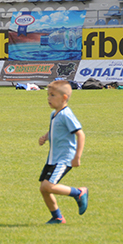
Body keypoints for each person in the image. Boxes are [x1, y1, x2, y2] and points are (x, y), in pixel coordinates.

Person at [38, 80, 88, 224]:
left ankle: (79, 193)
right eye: (48, 95)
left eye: (52, 95)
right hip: (53, 158)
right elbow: (56, 129)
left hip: (64, 158)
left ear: (64, 97)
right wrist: (45, 137)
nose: (49, 98)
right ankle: (57, 217)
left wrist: (77, 156)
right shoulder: (55, 114)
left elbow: (80, 134)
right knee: (44, 189)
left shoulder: (66, 114)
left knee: (48, 186)